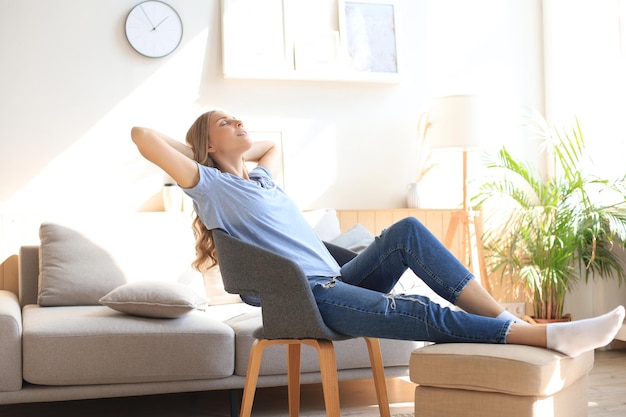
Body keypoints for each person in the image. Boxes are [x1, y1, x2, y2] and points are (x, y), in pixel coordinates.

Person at [131, 109, 625, 358]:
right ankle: (546, 337)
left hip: (338, 278)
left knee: (407, 229)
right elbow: (143, 138)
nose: (239, 121)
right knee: (421, 310)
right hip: (308, 297)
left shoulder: (258, 178)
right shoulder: (210, 186)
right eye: (225, 121)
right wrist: (200, 151)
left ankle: (506, 321)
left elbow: (266, 150)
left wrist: (224, 137)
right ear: (206, 146)